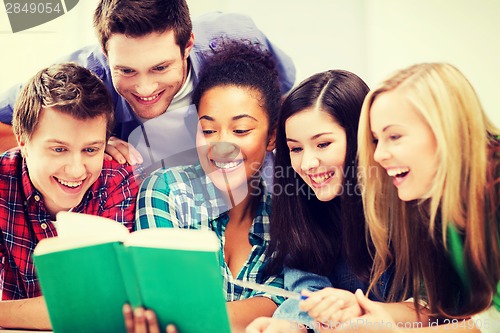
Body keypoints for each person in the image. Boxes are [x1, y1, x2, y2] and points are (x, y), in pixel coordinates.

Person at [302, 63, 500, 332]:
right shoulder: (428, 200)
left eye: (394, 136)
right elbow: (437, 306)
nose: (379, 155)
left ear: (446, 130)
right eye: (375, 140)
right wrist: (363, 311)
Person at [0, 0, 295, 180]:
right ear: (105, 51)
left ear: (187, 45)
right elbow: (8, 126)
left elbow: (281, 99)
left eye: (160, 68)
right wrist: (86, 145)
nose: (145, 89)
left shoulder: (236, 35)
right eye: (126, 70)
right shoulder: (82, 76)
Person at [127, 41, 283, 333]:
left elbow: (280, 305)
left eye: (240, 130)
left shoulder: (283, 217)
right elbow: (165, 307)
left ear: (272, 136)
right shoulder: (165, 190)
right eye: (208, 130)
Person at [246, 70, 393, 333]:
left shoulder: (405, 206)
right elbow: (306, 293)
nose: (307, 164)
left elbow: (435, 307)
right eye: (296, 149)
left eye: (323, 144)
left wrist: (355, 310)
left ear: (362, 138)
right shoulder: (302, 209)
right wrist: (292, 326)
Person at [0, 63, 139, 329]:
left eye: (90, 150)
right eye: (59, 149)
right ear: (23, 141)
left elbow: (97, 305)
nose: (76, 170)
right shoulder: (3, 182)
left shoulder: (115, 182)